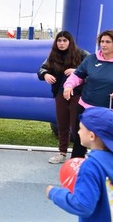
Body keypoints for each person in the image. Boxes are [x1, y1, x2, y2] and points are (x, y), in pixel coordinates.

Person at [46, 107, 113, 221]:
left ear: (91, 136)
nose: (78, 132)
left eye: (80, 128)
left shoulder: (91, 166)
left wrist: (54, 193)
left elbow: (83, 206)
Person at [64, 30, 113, 158]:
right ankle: (76, 166)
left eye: (107, 42)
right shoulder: (91, 59)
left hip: (111, 112)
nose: (103, 45)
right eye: (102, 41)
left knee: (108, 142)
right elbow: (77, 76)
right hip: (86, 108)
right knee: (80, 139)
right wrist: (68, 86)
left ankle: (107, 169)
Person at [38, 31, 89, 164]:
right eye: (59, 40)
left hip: (77, 94)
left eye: (64, 40)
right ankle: (62, 152)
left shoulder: (82, 54)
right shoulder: (53, 56)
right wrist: (45, 75)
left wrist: (77, 71)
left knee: (77, 125)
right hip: (60, 94)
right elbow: (41, 69)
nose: (61, 43)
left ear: (70, 42)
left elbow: (92, 72)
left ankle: (79, 155)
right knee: (62, 124)